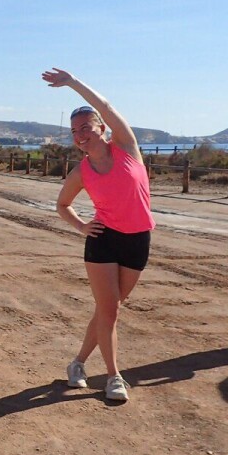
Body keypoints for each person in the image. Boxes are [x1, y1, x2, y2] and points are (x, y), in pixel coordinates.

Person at [44, 68, 155, 402]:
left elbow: (105, 105)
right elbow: (62, 205)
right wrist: (81, 226)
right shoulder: (81, 172)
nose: (80, 134)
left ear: (102, 129)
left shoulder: (127, 147)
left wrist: (73, 83)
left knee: (108, 309)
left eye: (86, 127)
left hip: (138, 240)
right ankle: (113, 377)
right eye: (74, 131)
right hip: (103, 242)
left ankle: (77, 363)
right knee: (111, 311)